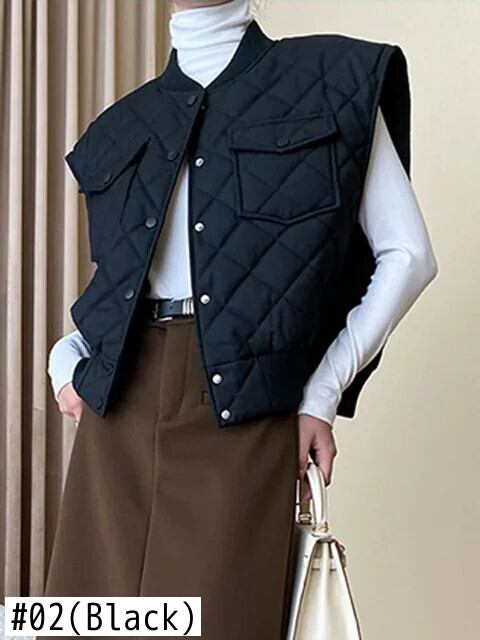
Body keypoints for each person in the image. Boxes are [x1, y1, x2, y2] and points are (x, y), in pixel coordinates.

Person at [43, 1, 438, 638]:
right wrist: (64, 361)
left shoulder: (332, 79)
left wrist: (322, 391)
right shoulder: (122, 124)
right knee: (89, 624)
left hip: (244, 413)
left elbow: (409, 256)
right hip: (116, 417)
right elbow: (119, 289)